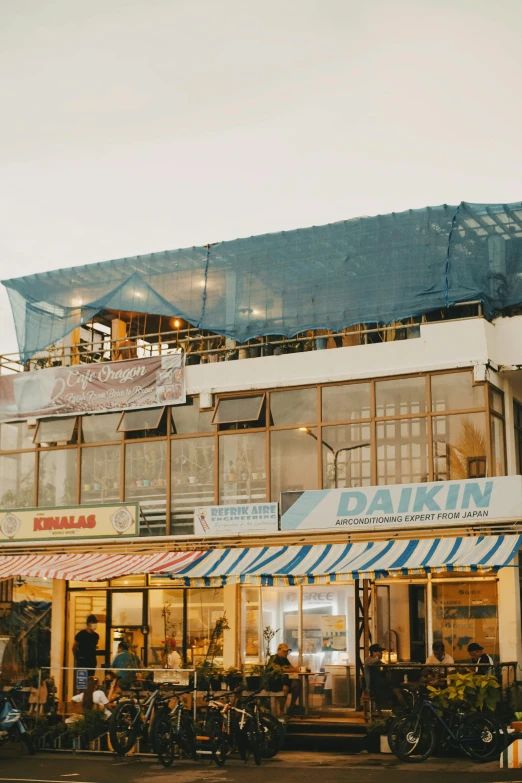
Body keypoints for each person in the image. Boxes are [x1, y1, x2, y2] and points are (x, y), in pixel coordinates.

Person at [270, 642, 302, 713]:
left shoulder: (285, 659)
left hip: (284, 680)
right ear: (279, 650)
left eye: (287, 651)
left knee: (297, 683)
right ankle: (281, 710)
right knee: (285, 688)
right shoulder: (274, 658)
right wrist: (293, 669)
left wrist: (298, 669)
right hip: (275, 681)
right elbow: (279, 669)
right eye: (284, 651)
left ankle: (292, 705)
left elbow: (292, 668)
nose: (286, 653)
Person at [363, 644, 386, 718]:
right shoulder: (368, 660)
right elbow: (375, 661)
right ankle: (379, 713)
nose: (382, 653)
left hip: (377, 684)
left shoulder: (376, 661)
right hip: (371, 686)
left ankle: (380, 713)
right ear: (373, 652)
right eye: (380, 651)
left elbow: (384, 665)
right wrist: (378, 657)